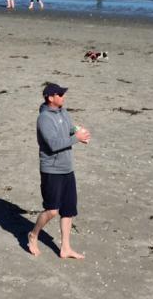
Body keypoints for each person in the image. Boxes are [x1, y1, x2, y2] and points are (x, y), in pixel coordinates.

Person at [28, 82, 90, 259]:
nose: (63, 97)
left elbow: (70, 129)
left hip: (67, 168)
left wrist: (79, 132)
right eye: (60, 94)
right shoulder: (44, 119)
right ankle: (33, 235)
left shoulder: (63, 112)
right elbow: (54, 144)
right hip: (51, 170)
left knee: (68, 210)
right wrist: (76, 139)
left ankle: (66, 248)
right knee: (52, 210)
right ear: (50, 98)